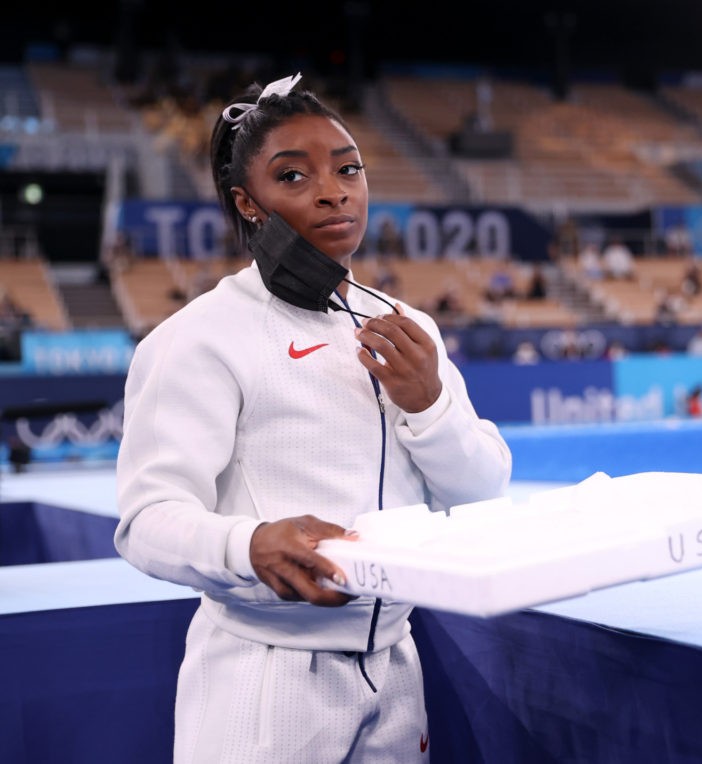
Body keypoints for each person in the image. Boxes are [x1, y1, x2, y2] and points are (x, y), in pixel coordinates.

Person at [114, 73, 512, 764]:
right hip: (262, 681)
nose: (334, 190)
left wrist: (431, 406)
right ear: (250, 203)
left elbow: (482, 493)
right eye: (293, 176)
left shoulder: (407, 326)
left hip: (394, 669)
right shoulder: (201, 337)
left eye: (348, 169)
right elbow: (145, 522)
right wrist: (251, 544)